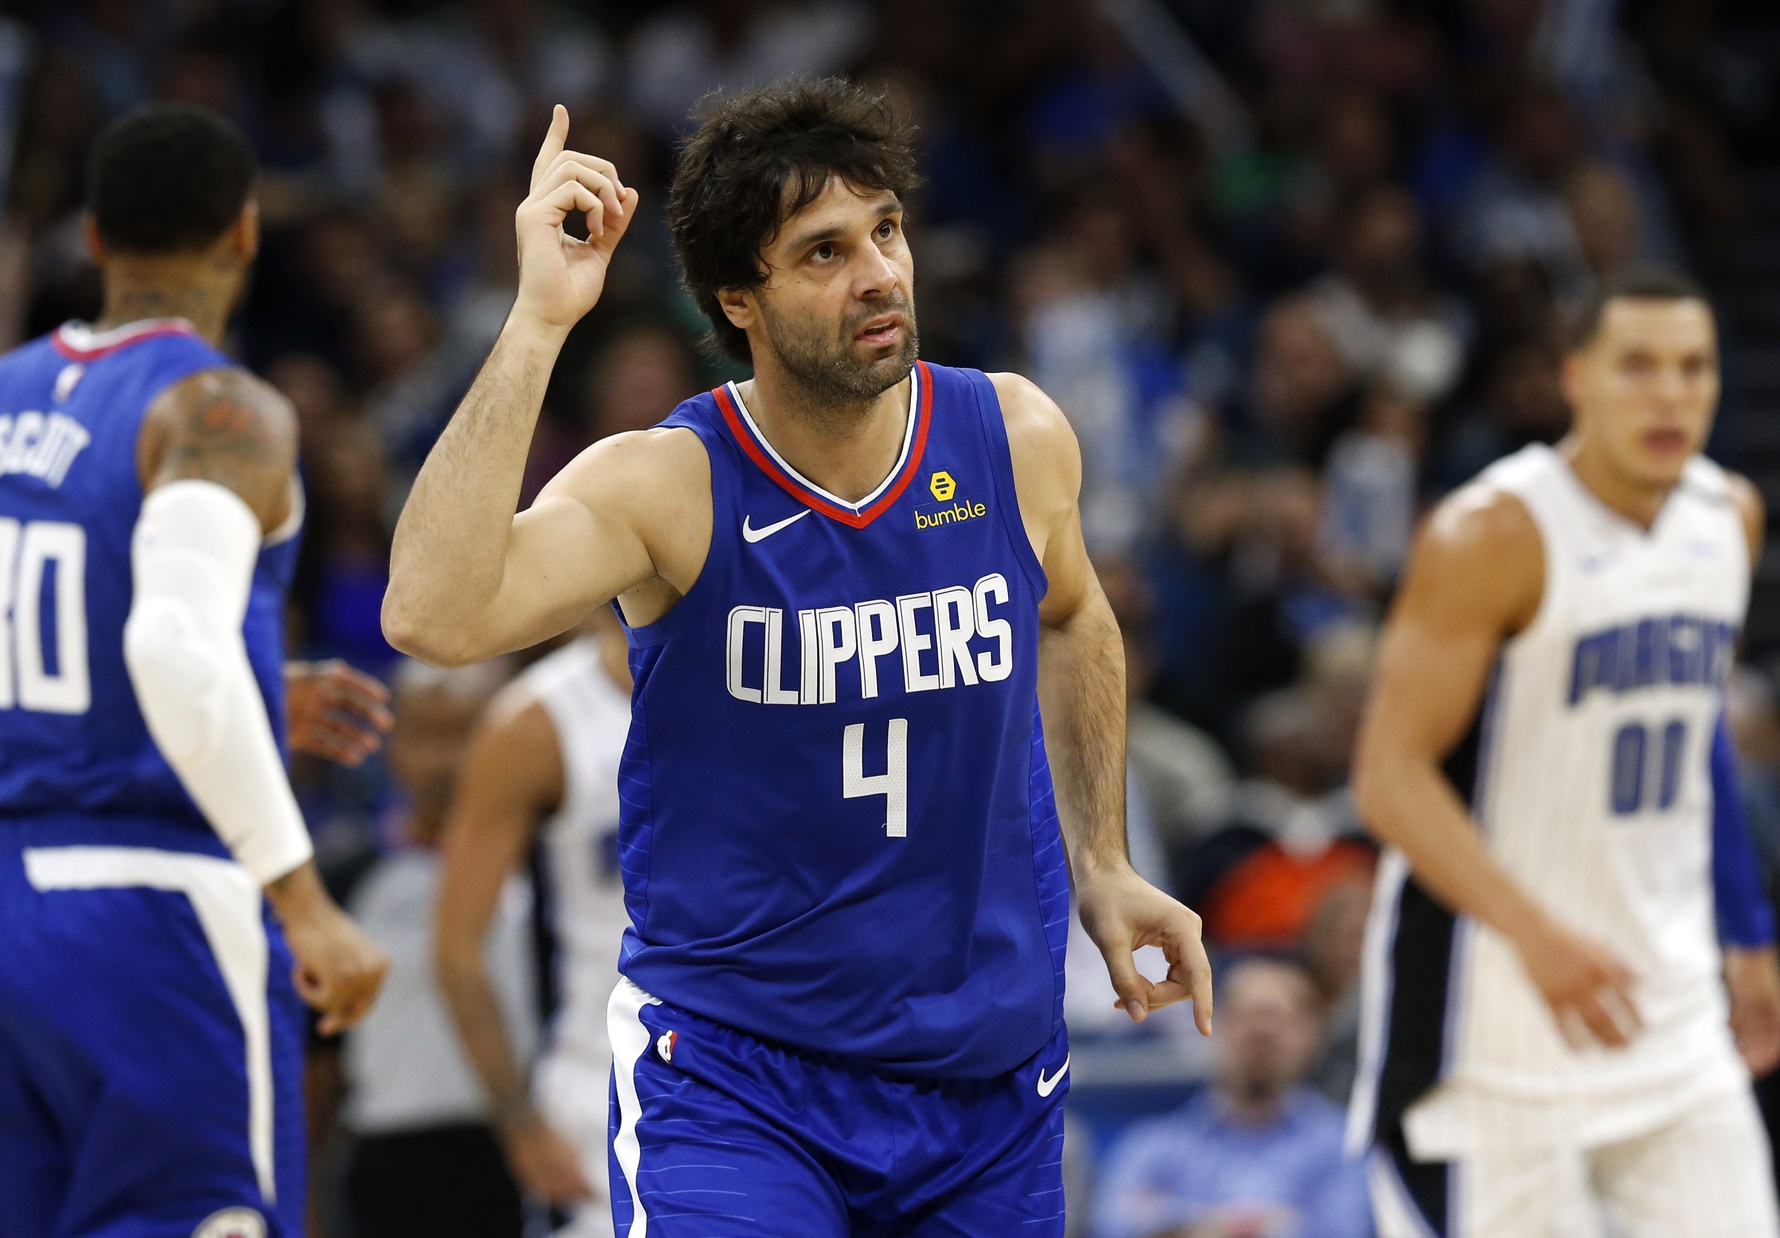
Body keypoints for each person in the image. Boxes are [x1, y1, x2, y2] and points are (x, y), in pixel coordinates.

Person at [383, 79, 1212, 1237]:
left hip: (986, 1079)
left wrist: (1103, 857)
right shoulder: (671, 483)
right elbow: (430, 613)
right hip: (739, 1082)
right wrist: (537, 322)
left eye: (886, 231)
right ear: (742, 298)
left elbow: (1072, 615)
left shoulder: (1013, 435)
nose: (878, 273)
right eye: (824, 251)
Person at [0, 104, 389, 1238]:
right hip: (147, 914)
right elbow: (173, 646)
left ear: (94, 238)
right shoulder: (220, 408)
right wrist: (302, 899)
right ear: (245, 232)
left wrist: (242, 701)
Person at [1349, 267, 1780, 1237]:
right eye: (1638, 366)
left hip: (1670, 1018)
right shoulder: (1491, 533)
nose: (1669, 395)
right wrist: (1535, 932)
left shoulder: (1729, 518)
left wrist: (1747, 930)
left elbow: (1694, 732)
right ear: (1576, 378)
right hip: (1490, 1037)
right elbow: (1388, 778)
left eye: (1693, 368)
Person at [435, 611, 633, 1237]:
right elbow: (457, 948)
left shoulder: (766, 687)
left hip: (759, 1079)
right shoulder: (536, 723)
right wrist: (520, 1124)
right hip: (598, 1094)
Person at [329, 659, 533, 1238]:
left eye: (464, 733)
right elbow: (316, 1058)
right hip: (390, 1157)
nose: (444, 760)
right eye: (424, 735)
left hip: (526, 1149)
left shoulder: (545, 867)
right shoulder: (350, 877)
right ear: (391, 744)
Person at [1090, 957, 1371, 1238]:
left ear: (1314, 1037)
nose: (1263, 1030)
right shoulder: (1153, 1145)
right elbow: (1116, 1226)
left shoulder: (1346, 1147)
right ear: (1212, 1024)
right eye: (1247, 1015)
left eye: (1283, 1018)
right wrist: (1259, 1224)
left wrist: (1176, 1222)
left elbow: (1344, 1230)